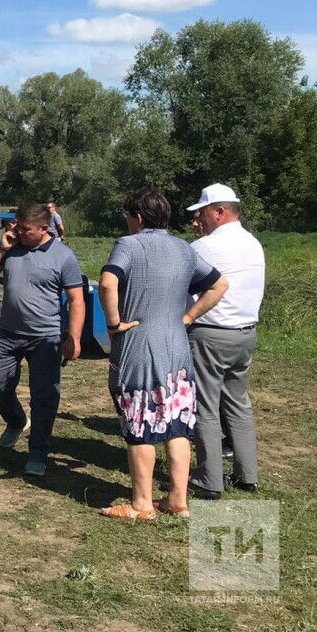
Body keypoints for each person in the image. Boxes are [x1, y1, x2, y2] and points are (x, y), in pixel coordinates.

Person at [97, 189, 228, 520]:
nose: (127, 222)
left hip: (139, 347)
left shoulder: (129, 245)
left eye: (128, 216)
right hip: (177, 348)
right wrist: (188, 317)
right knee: (177, 424)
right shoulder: (184, 249)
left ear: (138, 218)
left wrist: (113, 324)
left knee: (139, 421)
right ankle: (177, 500)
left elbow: (107, 283)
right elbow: (219, 285)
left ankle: (141, 504)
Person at [0, 202, 86, 477]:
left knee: (44, 397)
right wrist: (2, 248)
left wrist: (73, 336)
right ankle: (16, 421)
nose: (19, 232)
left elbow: (76, 300)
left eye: (25, 229)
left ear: (43, 228)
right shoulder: (11, 248)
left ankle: (37, 453)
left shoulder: (64, 256)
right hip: (7, 334)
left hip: (45, 338)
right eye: (17, 226)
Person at [186, 183, 266, 498]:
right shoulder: (253, 243)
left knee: (205, 407)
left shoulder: (203, 247)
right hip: (245, 333)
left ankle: (209, 480)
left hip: (211, 333)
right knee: (238, 403)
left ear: (219, 212)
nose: (197, 220)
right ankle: (247, 475)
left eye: (201, 213)